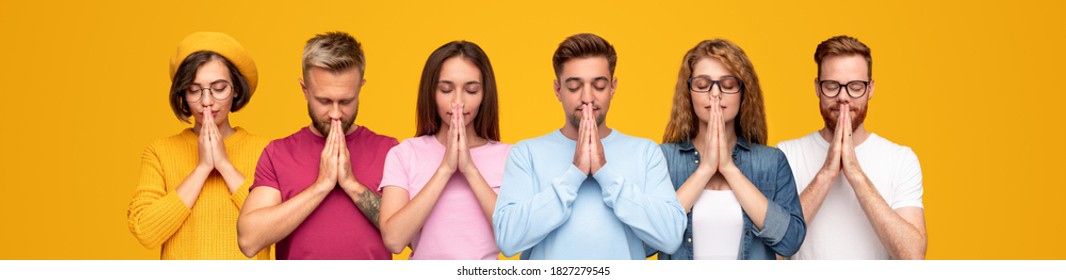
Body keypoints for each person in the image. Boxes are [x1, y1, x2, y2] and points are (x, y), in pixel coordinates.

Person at [493, 33, 686, 260]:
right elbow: (507, 239)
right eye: (574, 86)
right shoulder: (526, 154)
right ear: (558, 90)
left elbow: (670, 237)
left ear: (613, 87)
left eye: (599, 85)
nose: (587, 97)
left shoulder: (646, 153)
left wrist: (605, 173)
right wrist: (574, 174)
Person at [236, 31, 397, 260]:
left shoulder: (389, 151)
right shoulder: (278, 153)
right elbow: (249, 241)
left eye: (346, 101)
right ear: (305, 90)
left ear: (360, 87)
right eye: (324, 101)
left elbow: (412, 237)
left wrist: (351, 184)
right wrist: (321, 185)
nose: (335, 114)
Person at [654, 39, 805, 260]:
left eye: (728, 85)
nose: (715, 94)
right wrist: (705, 170)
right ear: (688, 93)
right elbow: (645, 242)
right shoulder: (662, 159)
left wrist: (728, 169)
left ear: (744, 92)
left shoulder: (772, 162)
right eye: (703, 84)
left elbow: (791, 240)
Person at [778, 35, 926, 259]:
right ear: (817, 88)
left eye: (855, 87)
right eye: (832, 86)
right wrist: (826, 173)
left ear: (870, 89)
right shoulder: (785, 155)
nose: (843, 97)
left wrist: (855, 174)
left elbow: (913, 255)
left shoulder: (901, 160)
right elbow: (771, 252)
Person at [127, 32, 270, 259]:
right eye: (194, 90)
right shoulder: (159, 152)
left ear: (235, 90)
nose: (206, 101)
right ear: (183, 94)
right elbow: (146, 232)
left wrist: (224, 165)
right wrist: (202, 168)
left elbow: (273, 228)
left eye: (219, 88)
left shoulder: (267, 151)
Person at [378, 41, 510, 260]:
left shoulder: (509, 157)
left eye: (471, 90)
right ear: (431, 92)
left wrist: (469, 170)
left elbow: (512, 238)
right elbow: (394, 240)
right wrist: (445, 169)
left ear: (485, 94)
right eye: (446, 90)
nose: (458, 102)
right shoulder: (404, 154)